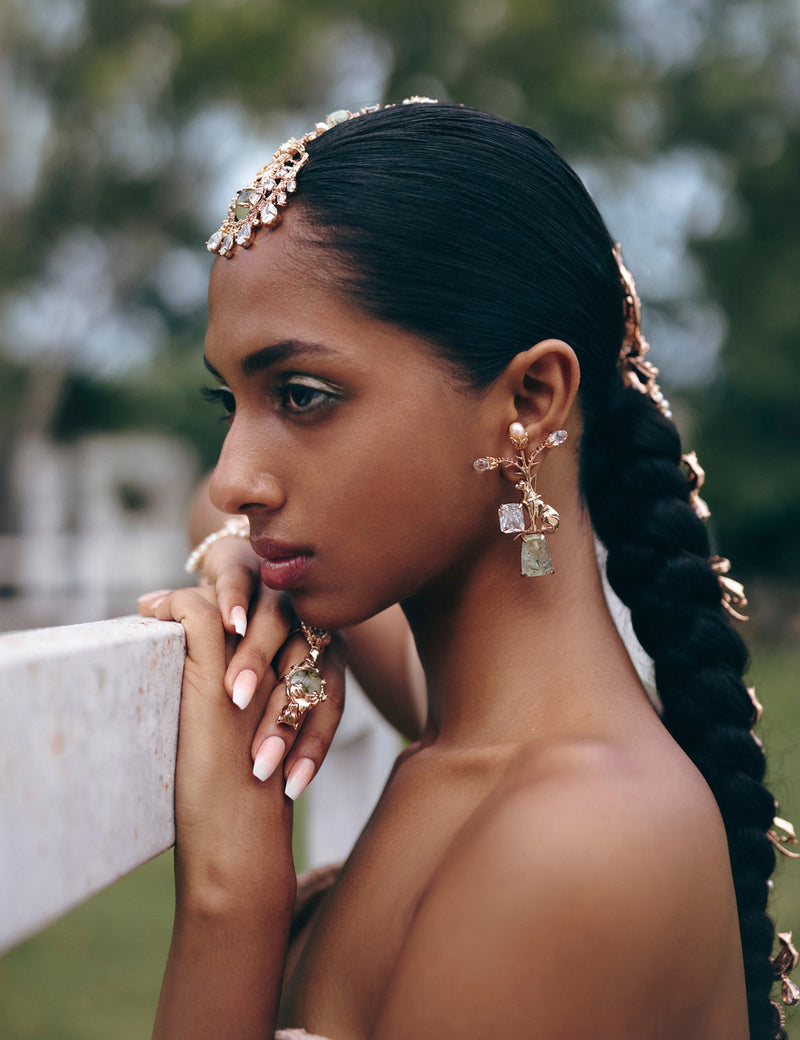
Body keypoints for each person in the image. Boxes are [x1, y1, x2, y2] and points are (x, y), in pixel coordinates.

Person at [137, 99, 798, 1040]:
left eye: (302, 395)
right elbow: (215, 512)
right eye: (230, 403)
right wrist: (247, 570)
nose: (232, 478)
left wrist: (228, 904)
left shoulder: (575, 840)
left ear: (528, 400)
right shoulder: (462, 727)